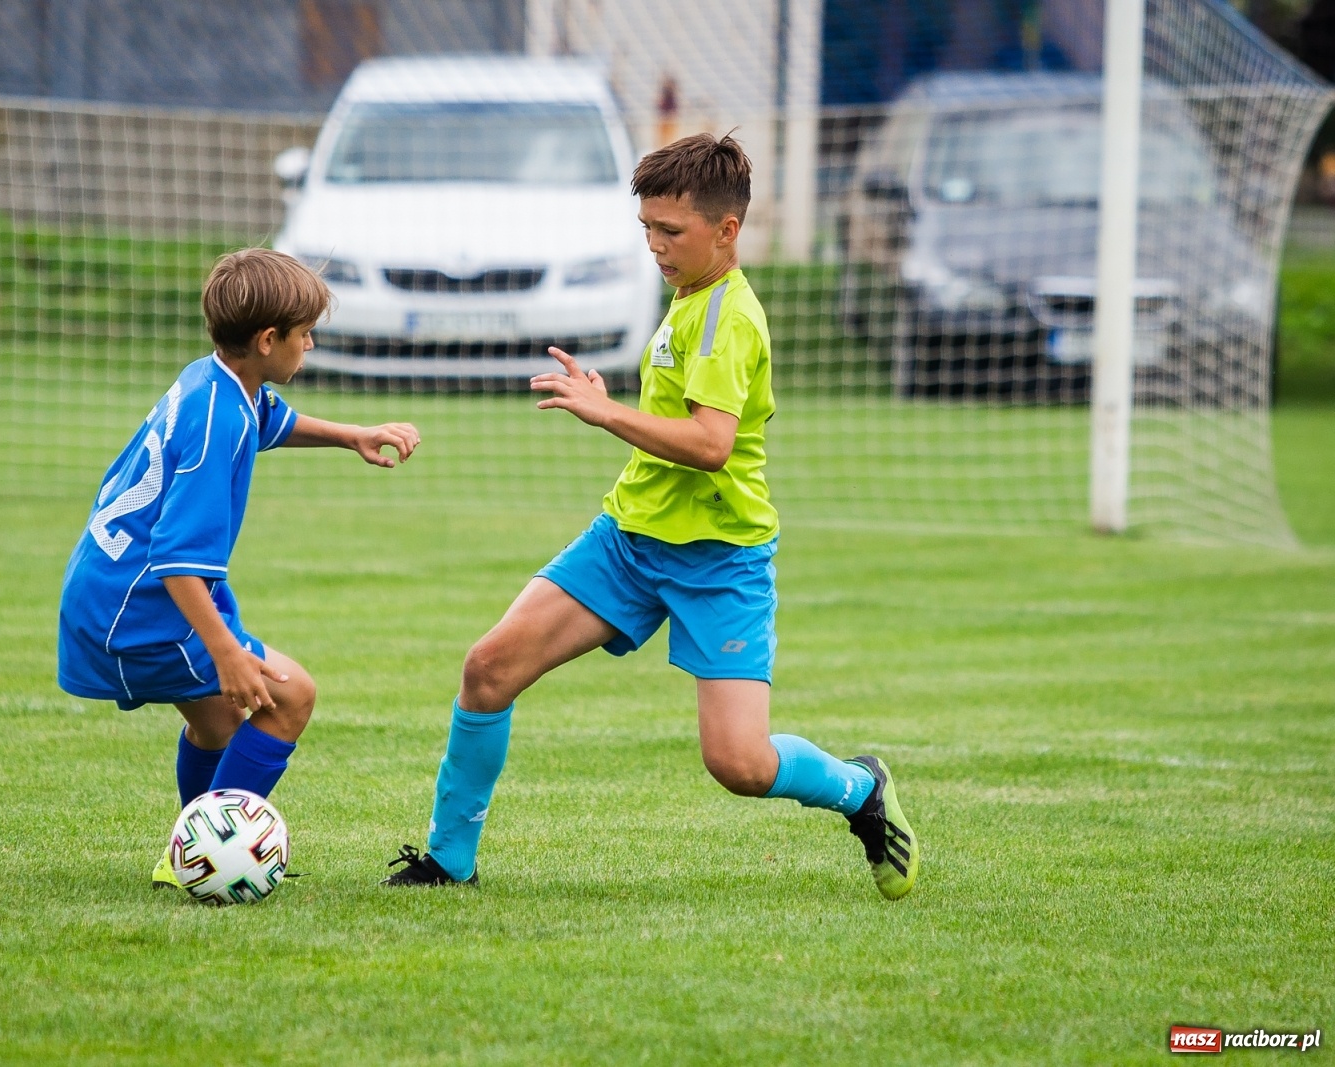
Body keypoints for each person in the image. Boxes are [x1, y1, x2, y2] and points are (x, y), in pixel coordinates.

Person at [382, 134, 917, 899]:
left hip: (719, 557)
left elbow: (710, 444)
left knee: (740, 763)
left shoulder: (731, 316)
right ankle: (448, 860)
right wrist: (612, 398)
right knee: (488, 669)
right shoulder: (689, 292)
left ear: (725, 232)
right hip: (631, 539)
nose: (656, 246)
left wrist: (605, 413)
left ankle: (860, 789)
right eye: (648, 230)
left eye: (671, 232)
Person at [57, 248, 420, 887]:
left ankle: (190, 859)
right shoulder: (216, 419)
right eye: (305, 334)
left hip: (108, 592)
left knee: (217, 721)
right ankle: (207, 858)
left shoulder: (216, 380)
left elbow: (269, 420)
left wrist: (351, 434)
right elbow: (174, 558)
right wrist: (225, 650)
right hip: (141, 605)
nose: (311, 344)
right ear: (268, 339)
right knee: (291, 695)